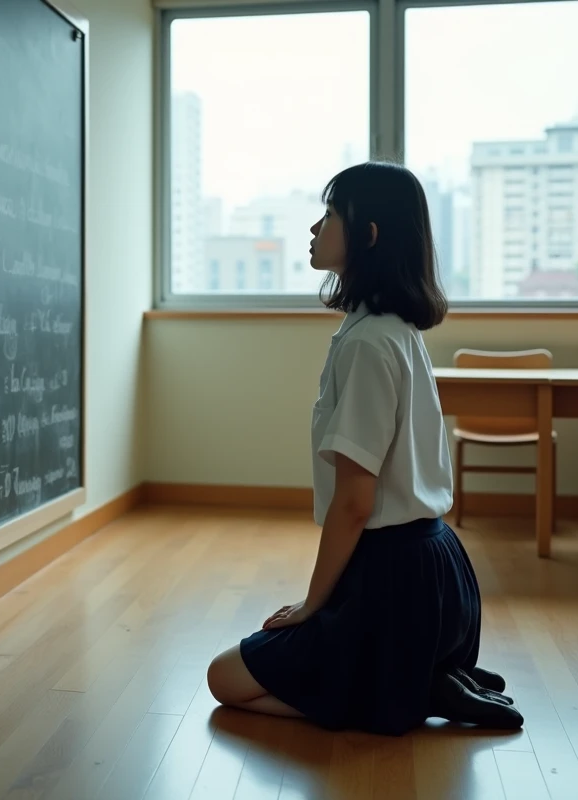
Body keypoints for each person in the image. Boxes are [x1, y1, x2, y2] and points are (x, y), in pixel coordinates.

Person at [205, 161, 523, 735]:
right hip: (439, 569)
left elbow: (355, 502)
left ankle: (411, 690)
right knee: (277, 661)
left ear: (368, 235)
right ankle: (419, 678)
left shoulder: (368, 343)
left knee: (223, 679)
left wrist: (310, 605)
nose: (313, 229)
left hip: (394, 582)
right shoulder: (392, 328)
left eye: (329, 216)